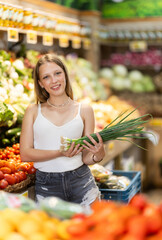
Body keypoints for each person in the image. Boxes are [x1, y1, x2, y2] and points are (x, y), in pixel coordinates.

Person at [20, 53, 105, 206]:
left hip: (82, 182)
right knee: (54, 230)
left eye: (57, 73)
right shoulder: (33, 111)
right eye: (46, 77)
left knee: (89, 228)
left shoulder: (84, 110)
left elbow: (86, 158)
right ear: (40, 83)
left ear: (65, 74)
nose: (54, 80)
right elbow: (25, 153)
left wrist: (98, 153)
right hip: (47, 185)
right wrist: (60, 152)